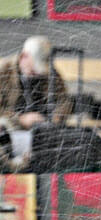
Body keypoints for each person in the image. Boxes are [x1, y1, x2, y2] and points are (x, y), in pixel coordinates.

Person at [0, 36, 72, 171]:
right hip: (8, 138)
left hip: (42, 138)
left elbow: (64, 101)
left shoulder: (51, 75)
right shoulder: (3, 73)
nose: (36, 74)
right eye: (33, 71)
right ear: (23, 56)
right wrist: (19, 119)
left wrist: (56, 118)